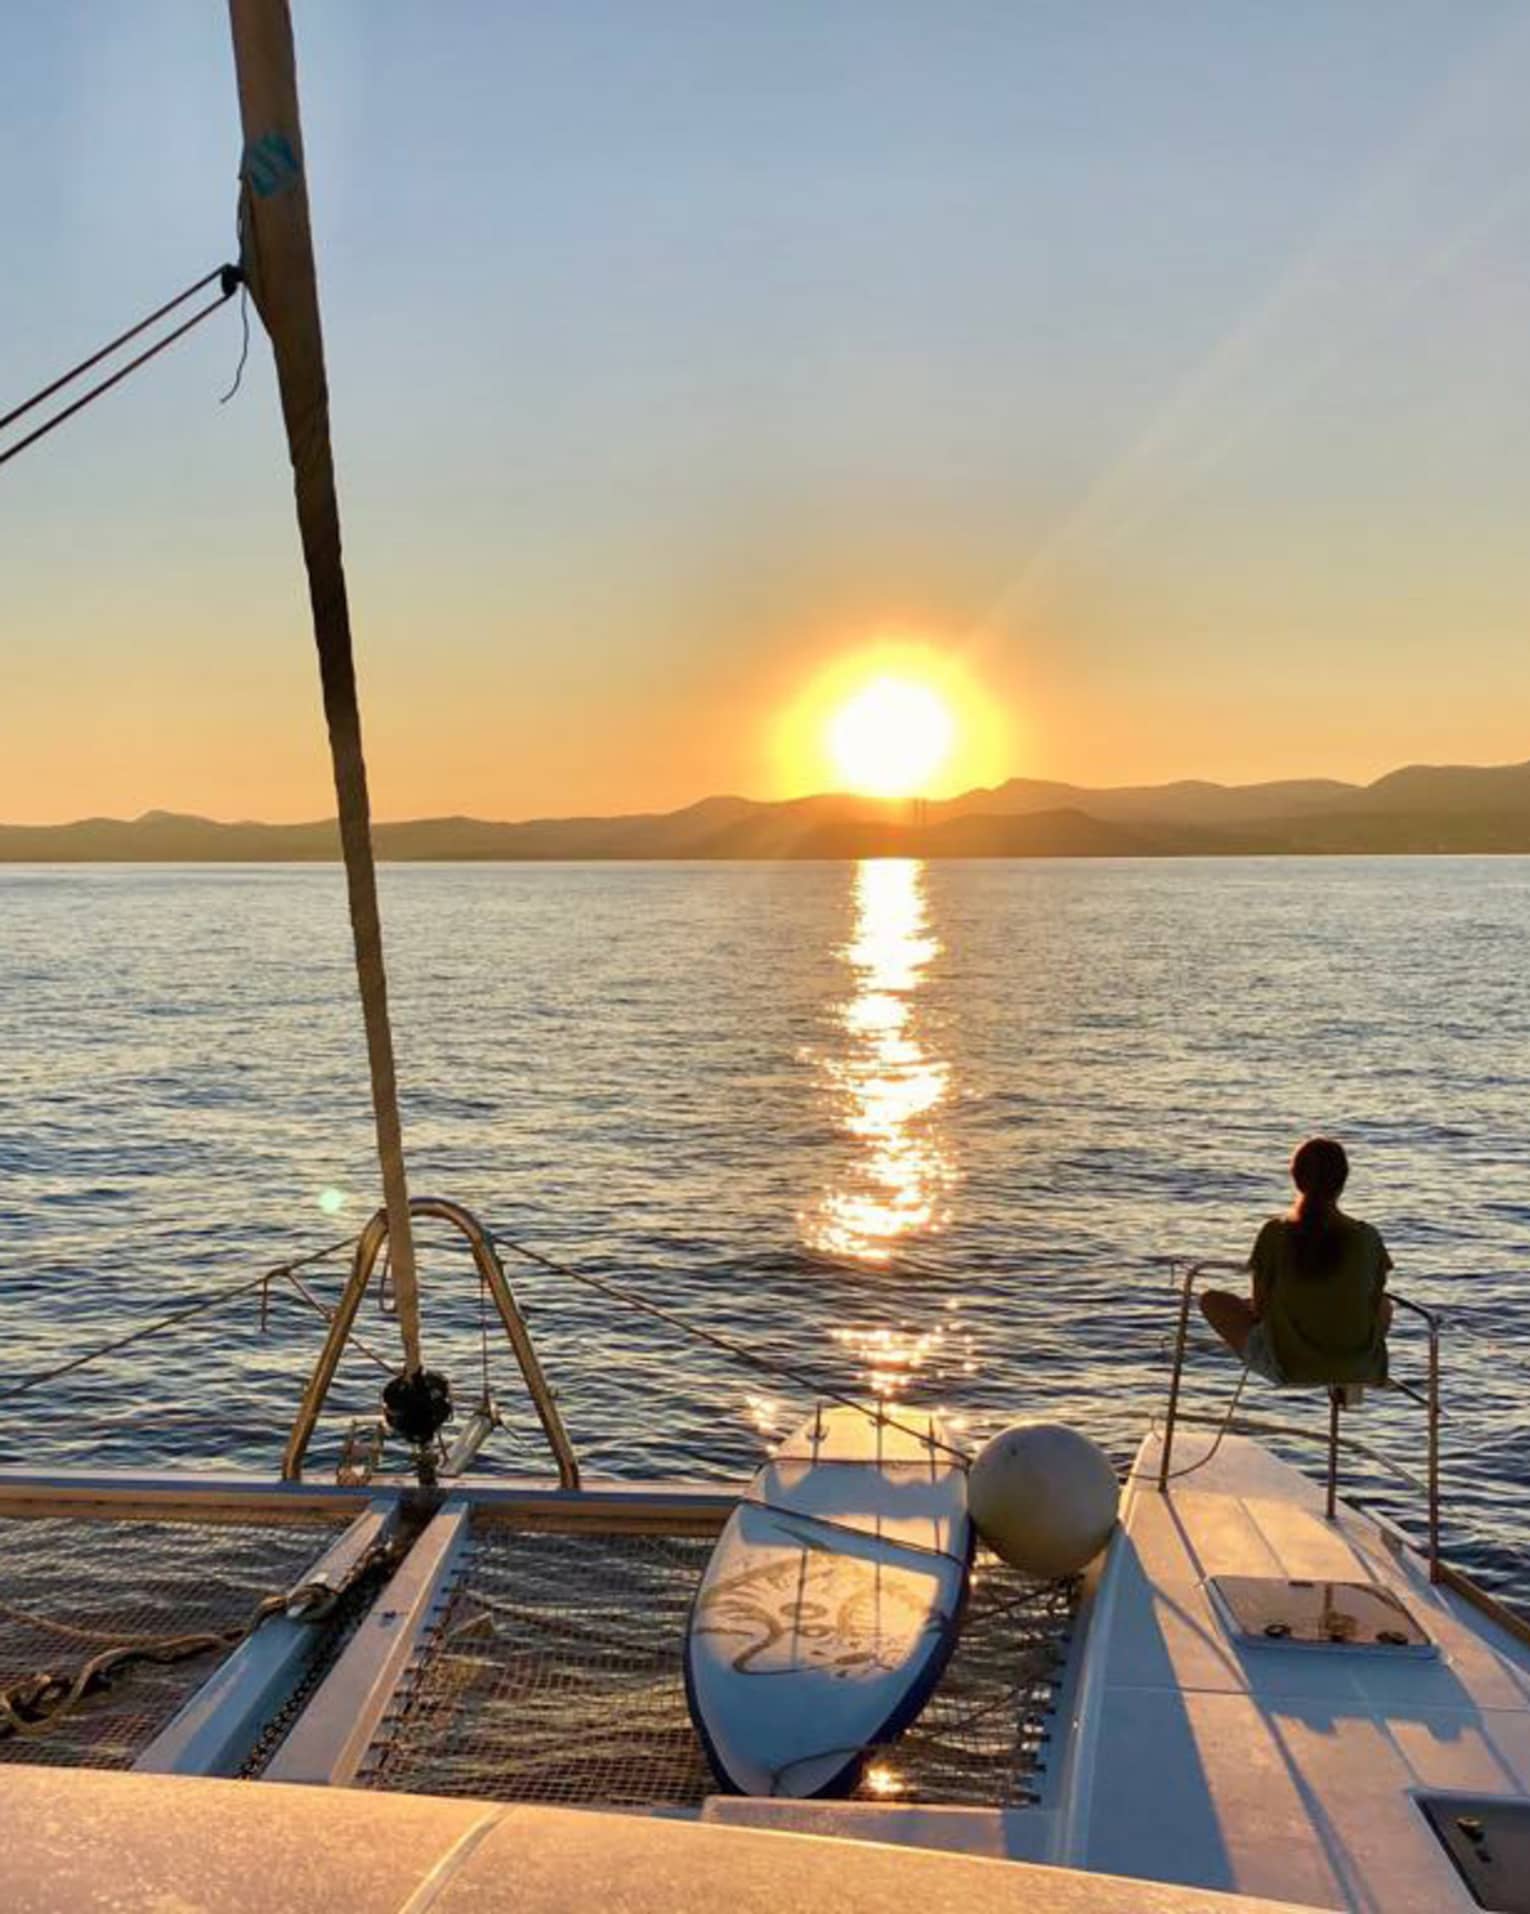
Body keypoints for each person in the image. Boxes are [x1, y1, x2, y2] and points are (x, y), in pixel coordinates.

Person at [1201, 1137, 1393, 1387]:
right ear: (1342, 1181)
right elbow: (1373, 1300)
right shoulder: (1368, 1236)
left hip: (1291, 1368)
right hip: (1361, 1368)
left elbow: (1260, 1307)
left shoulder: (1274, 1232)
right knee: (1386, 1304)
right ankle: (1347, 1366)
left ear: (1296, 1179)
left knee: (1211, 1300)